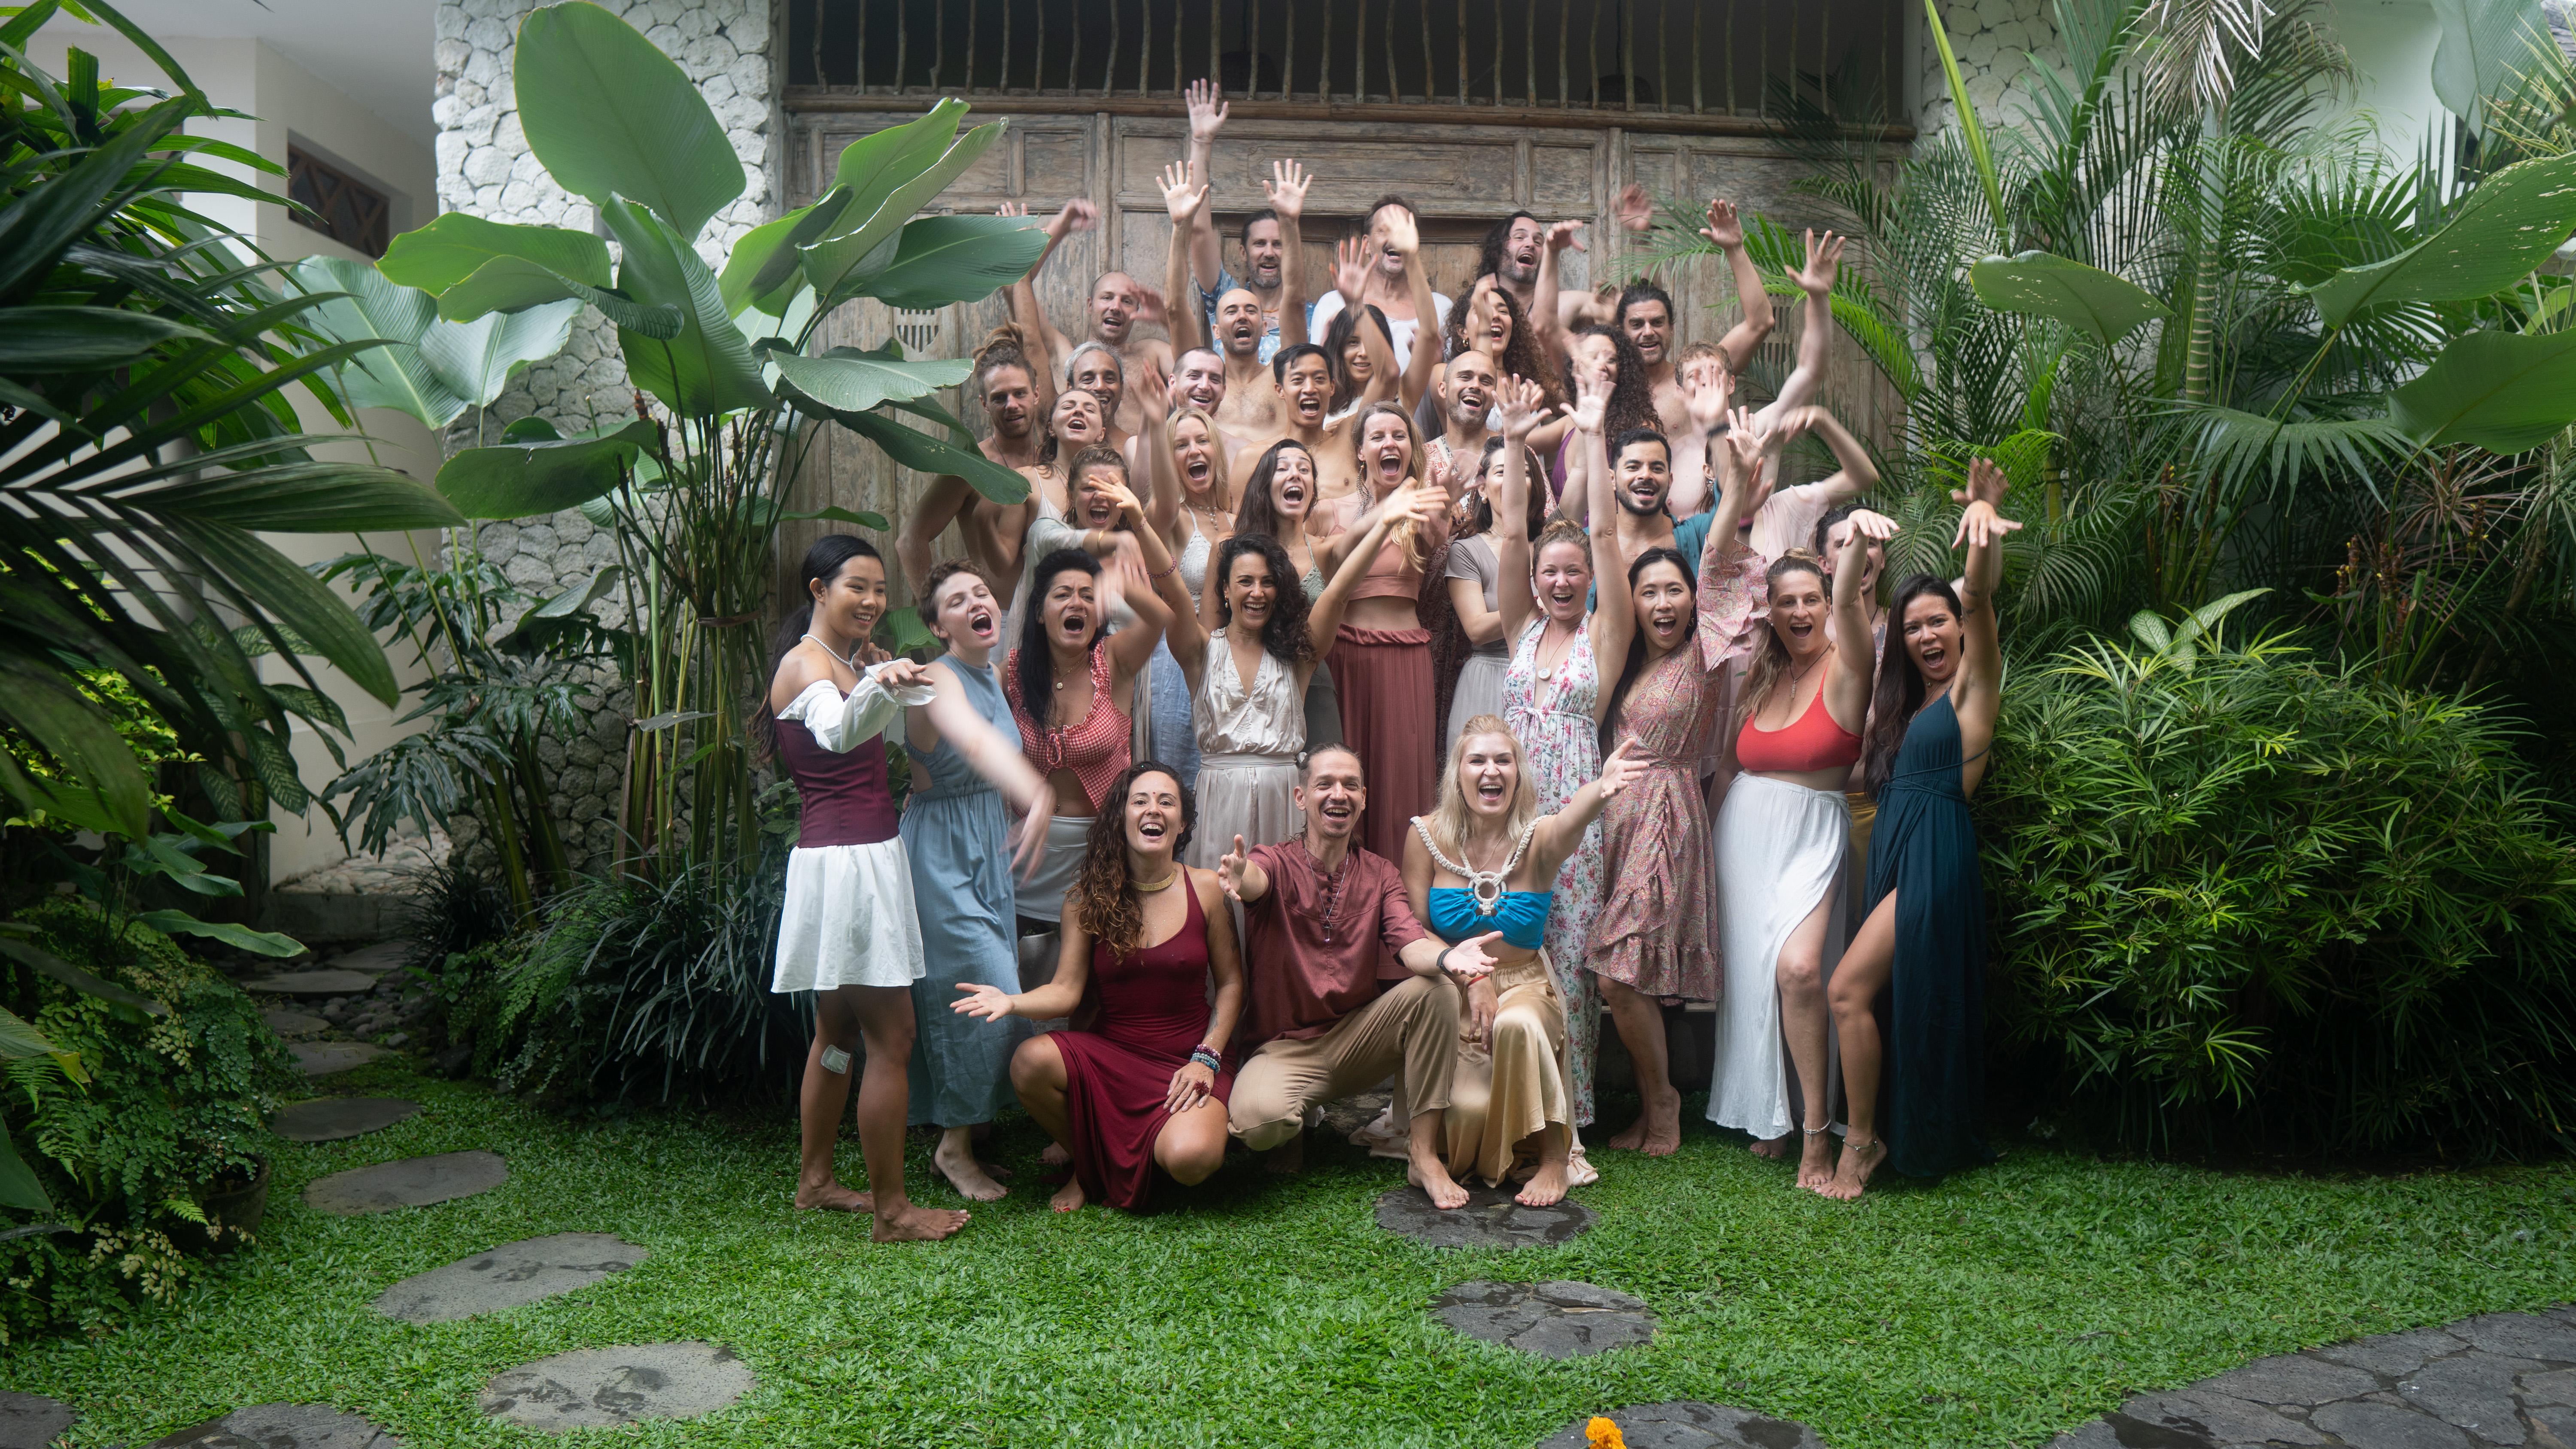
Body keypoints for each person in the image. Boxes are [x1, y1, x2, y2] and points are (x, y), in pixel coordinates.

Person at [758, 537, 1041, 1242]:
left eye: (880, 589)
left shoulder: (846, 663)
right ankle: (893, 1212)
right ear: (819, 590)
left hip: (849, 860)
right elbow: (836, 732)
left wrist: (886, 680)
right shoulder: (805, 665)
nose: (873, 601)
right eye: (857, 586)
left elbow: (883, 733)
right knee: (894, 1037)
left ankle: (816, 1181)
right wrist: (879, 686)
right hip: (851, 868)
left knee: (837, 1033)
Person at [1822, 458, 2018, 1200]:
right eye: (1913, 627)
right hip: (1896, 851)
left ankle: (1862, 1144)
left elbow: (1981, 595)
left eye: (1938, 620)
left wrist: (1982, 526)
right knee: (1893, 997)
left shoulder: (1974, 689)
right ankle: (1890, 1128)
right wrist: (1851, 539)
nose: (1928, 633)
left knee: (1847, 990)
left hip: (1936, 855)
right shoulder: (1899, 703)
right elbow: (1845, 608)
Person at [1589, 412, 1768, 1156]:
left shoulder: (1702, 653)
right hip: (1619, 823)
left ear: (1694, 601)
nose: (1663, 603)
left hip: (1665, 820)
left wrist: (1735, 482)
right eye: (1650, 594)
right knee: (1623, 974)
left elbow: (1719, 558)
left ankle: (1663, 1106)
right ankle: (1648, 1107)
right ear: (1630, 604)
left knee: (1617, 973)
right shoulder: (1629, 665)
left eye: (1674, 591)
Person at [1216, 746, 1501, 1208]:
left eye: (1350, 785)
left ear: (1364, 798)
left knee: (1435, 991)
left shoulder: (1380, 873)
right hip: (1285, 1048)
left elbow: (1410, 943)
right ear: (1301, 797)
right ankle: (1296, 1122)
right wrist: (1241, 874)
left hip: (1357, 1040)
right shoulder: (1276, 860)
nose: (1339, 794)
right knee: (1259, 1125)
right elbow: (1256, 882)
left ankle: (1423, 1154)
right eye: (1325, 784)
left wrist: (1452, 960)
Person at [954, 763, 1245, 1213]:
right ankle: (1088, 1168)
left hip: (1188, 1061)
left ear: (1183, 822)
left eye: (1166, 802)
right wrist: (1011, 1001)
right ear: (1121, 817)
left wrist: (1206, 1058)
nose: (1153, 810)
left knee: (1191, 1160)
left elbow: (1231, 984)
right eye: (1140, 801)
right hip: (1112, 1060)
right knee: (1029, 1061)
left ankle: (1104, 1158)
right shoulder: (1086, 899)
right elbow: (1066, 991)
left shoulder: (1207, 888)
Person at [1705, 512, 1895, 1190]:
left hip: (1813, 833)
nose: (1800, 612)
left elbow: (1851, 606)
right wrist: (1708, 849)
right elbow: (1730, 768)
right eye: (1785, 602)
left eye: (1811, 598)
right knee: (1757, 978)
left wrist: (1858, 544)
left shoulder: (1849, 667)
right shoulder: (1761, 678)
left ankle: (1818, 1130)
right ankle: (1773, 1114)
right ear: (1771, 613)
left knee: (1800, 968)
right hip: (1744, 838)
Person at [1153, 438, 1423, 870]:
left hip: (1284, 781)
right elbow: (1171, 589)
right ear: (1226, 590)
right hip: (1221, 791)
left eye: (1268, 583)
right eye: (1245, 582)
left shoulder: (1299, 657)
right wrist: (1137, 519)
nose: (1257, 592)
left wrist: (1385, 524)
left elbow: (1337, 592)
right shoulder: (1206, 651)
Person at [1403, 721, 1643, 1204]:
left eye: (1503, 760)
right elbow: (1415, 929)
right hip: (1453, 993)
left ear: (1518, 773)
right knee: (1468, 1115)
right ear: (1457, 773)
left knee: (1518, 1025)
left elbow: (1572, 818)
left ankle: (1554, 1158)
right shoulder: (1426, 835)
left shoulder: (1539, 839)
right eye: (1477, 760)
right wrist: (1468, 973)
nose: (1491, 770)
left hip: (1526, 986)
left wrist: (1600, 789)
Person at [900, 560, 1058, 1203]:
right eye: (957, 601)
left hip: (985, 847)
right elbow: (971, 744)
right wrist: (1036, 793)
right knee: (976, 989)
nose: (975, 603)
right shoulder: (936, 677)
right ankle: (954, 1148)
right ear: (939, 627)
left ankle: (966, 1129)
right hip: (939, 855)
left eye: (981, 593)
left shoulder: (992, 674)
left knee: (983, 985)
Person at [1492, 374, 1621, 1138]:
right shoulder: (1522, 630)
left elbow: (1606, 535)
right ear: (1537, 583)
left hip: (1573, 818)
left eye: (1573, 571)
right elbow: (1513, 536)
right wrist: (1513, 442)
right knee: (1511, 947)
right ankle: (1510, 1096)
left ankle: (1569, 1113)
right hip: (1506, 816)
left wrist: (1594, 436)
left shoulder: (1603, 634)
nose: (1563, 580)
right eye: (1552, 572)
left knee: (1569, 957)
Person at [1003, 467, 1176, 928]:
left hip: (1100, 857)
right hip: (1025, 858)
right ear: (1039, 613)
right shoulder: (1014, 672)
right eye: (1062, 595)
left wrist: (1118, 580)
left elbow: (1160, 617)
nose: (1076, 603)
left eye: (1087, 595)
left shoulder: (1114, 661)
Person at [1312, 403, 1454, 867]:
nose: (1389, 444)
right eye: (1377, 437)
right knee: (1341, 778)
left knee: (1399, 783)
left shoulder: (1422, 512)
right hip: (1343, 658)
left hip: (1404, 659)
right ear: (1360, 451)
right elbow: (1331, 562)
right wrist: (1383, 513)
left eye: (1399, 436)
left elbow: (1438, 537)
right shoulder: (1328, 511)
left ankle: (1398, 894)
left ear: (1411, 449)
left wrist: (1441, 504)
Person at [1607, 191, 1775, 447]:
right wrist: (1641, 237)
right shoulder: (1608, 384)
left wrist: (1735, 249)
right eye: (1637, 325)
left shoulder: (1696, 379)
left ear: (1672, 328)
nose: (1648, 332)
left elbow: (1760, 322)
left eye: (1658, 322)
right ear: (1622, 331)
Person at [1164, 156, 1313, 441]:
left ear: (1265, 326)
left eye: (1251, 311)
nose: (1242, 316)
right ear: (1216, 330)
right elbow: (1174, 308)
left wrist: (1290, 223)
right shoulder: (1204, 384)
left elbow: (1295, 302)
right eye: (1231, 311)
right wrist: (1181, 227)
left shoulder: (1281, 377)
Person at [898, 329, 1049, 608]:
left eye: (1020, 393)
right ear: (984, 404)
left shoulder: (1052, 461)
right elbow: (910, 540)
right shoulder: (972, 465)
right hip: (995, 620)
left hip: (1050, 619)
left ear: (1036, 394)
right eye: (999, 398)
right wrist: (936, 614)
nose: (1012, 405)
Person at [1009, 197, 1170, 437]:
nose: (1116, 307)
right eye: (1107, 298)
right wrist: (1061, 225)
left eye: (1127, 301)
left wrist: (1168, 320)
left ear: (1138, 310)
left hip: (1138, 458)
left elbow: (1195, 368)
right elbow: (1017, 288)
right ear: (1090, 305)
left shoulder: (1152, 353)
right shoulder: (1063, 352)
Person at [1228, 436, 1347, 751]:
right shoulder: (1231, 549)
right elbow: (1211, 632)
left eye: (1304, 469)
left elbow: (1366, 536)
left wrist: (1392, 507)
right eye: (1282, 469)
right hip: (1247, 681)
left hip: (1313, 681)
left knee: (1322, 773)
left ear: (1313, 489)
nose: (1295, 474)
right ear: (1264, 484)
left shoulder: (1326, 549)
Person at [1445, 433, 1549, 749]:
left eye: (1524, 473)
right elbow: (1476, 629)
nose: (1514, 480)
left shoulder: (1552, 548)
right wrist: (1538, 607)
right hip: (1489, 678)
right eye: (1503, 472)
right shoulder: (1467, 551)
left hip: (1546, 676)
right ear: (1482, 489)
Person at [1308, 196, 1452, 376]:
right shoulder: (1333, 303)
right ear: (1367, 244)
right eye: (1384, 231)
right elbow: (1317, 375)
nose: (1396, 238)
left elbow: (1450, 380)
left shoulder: (1441, 307)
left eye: (1403, 231)